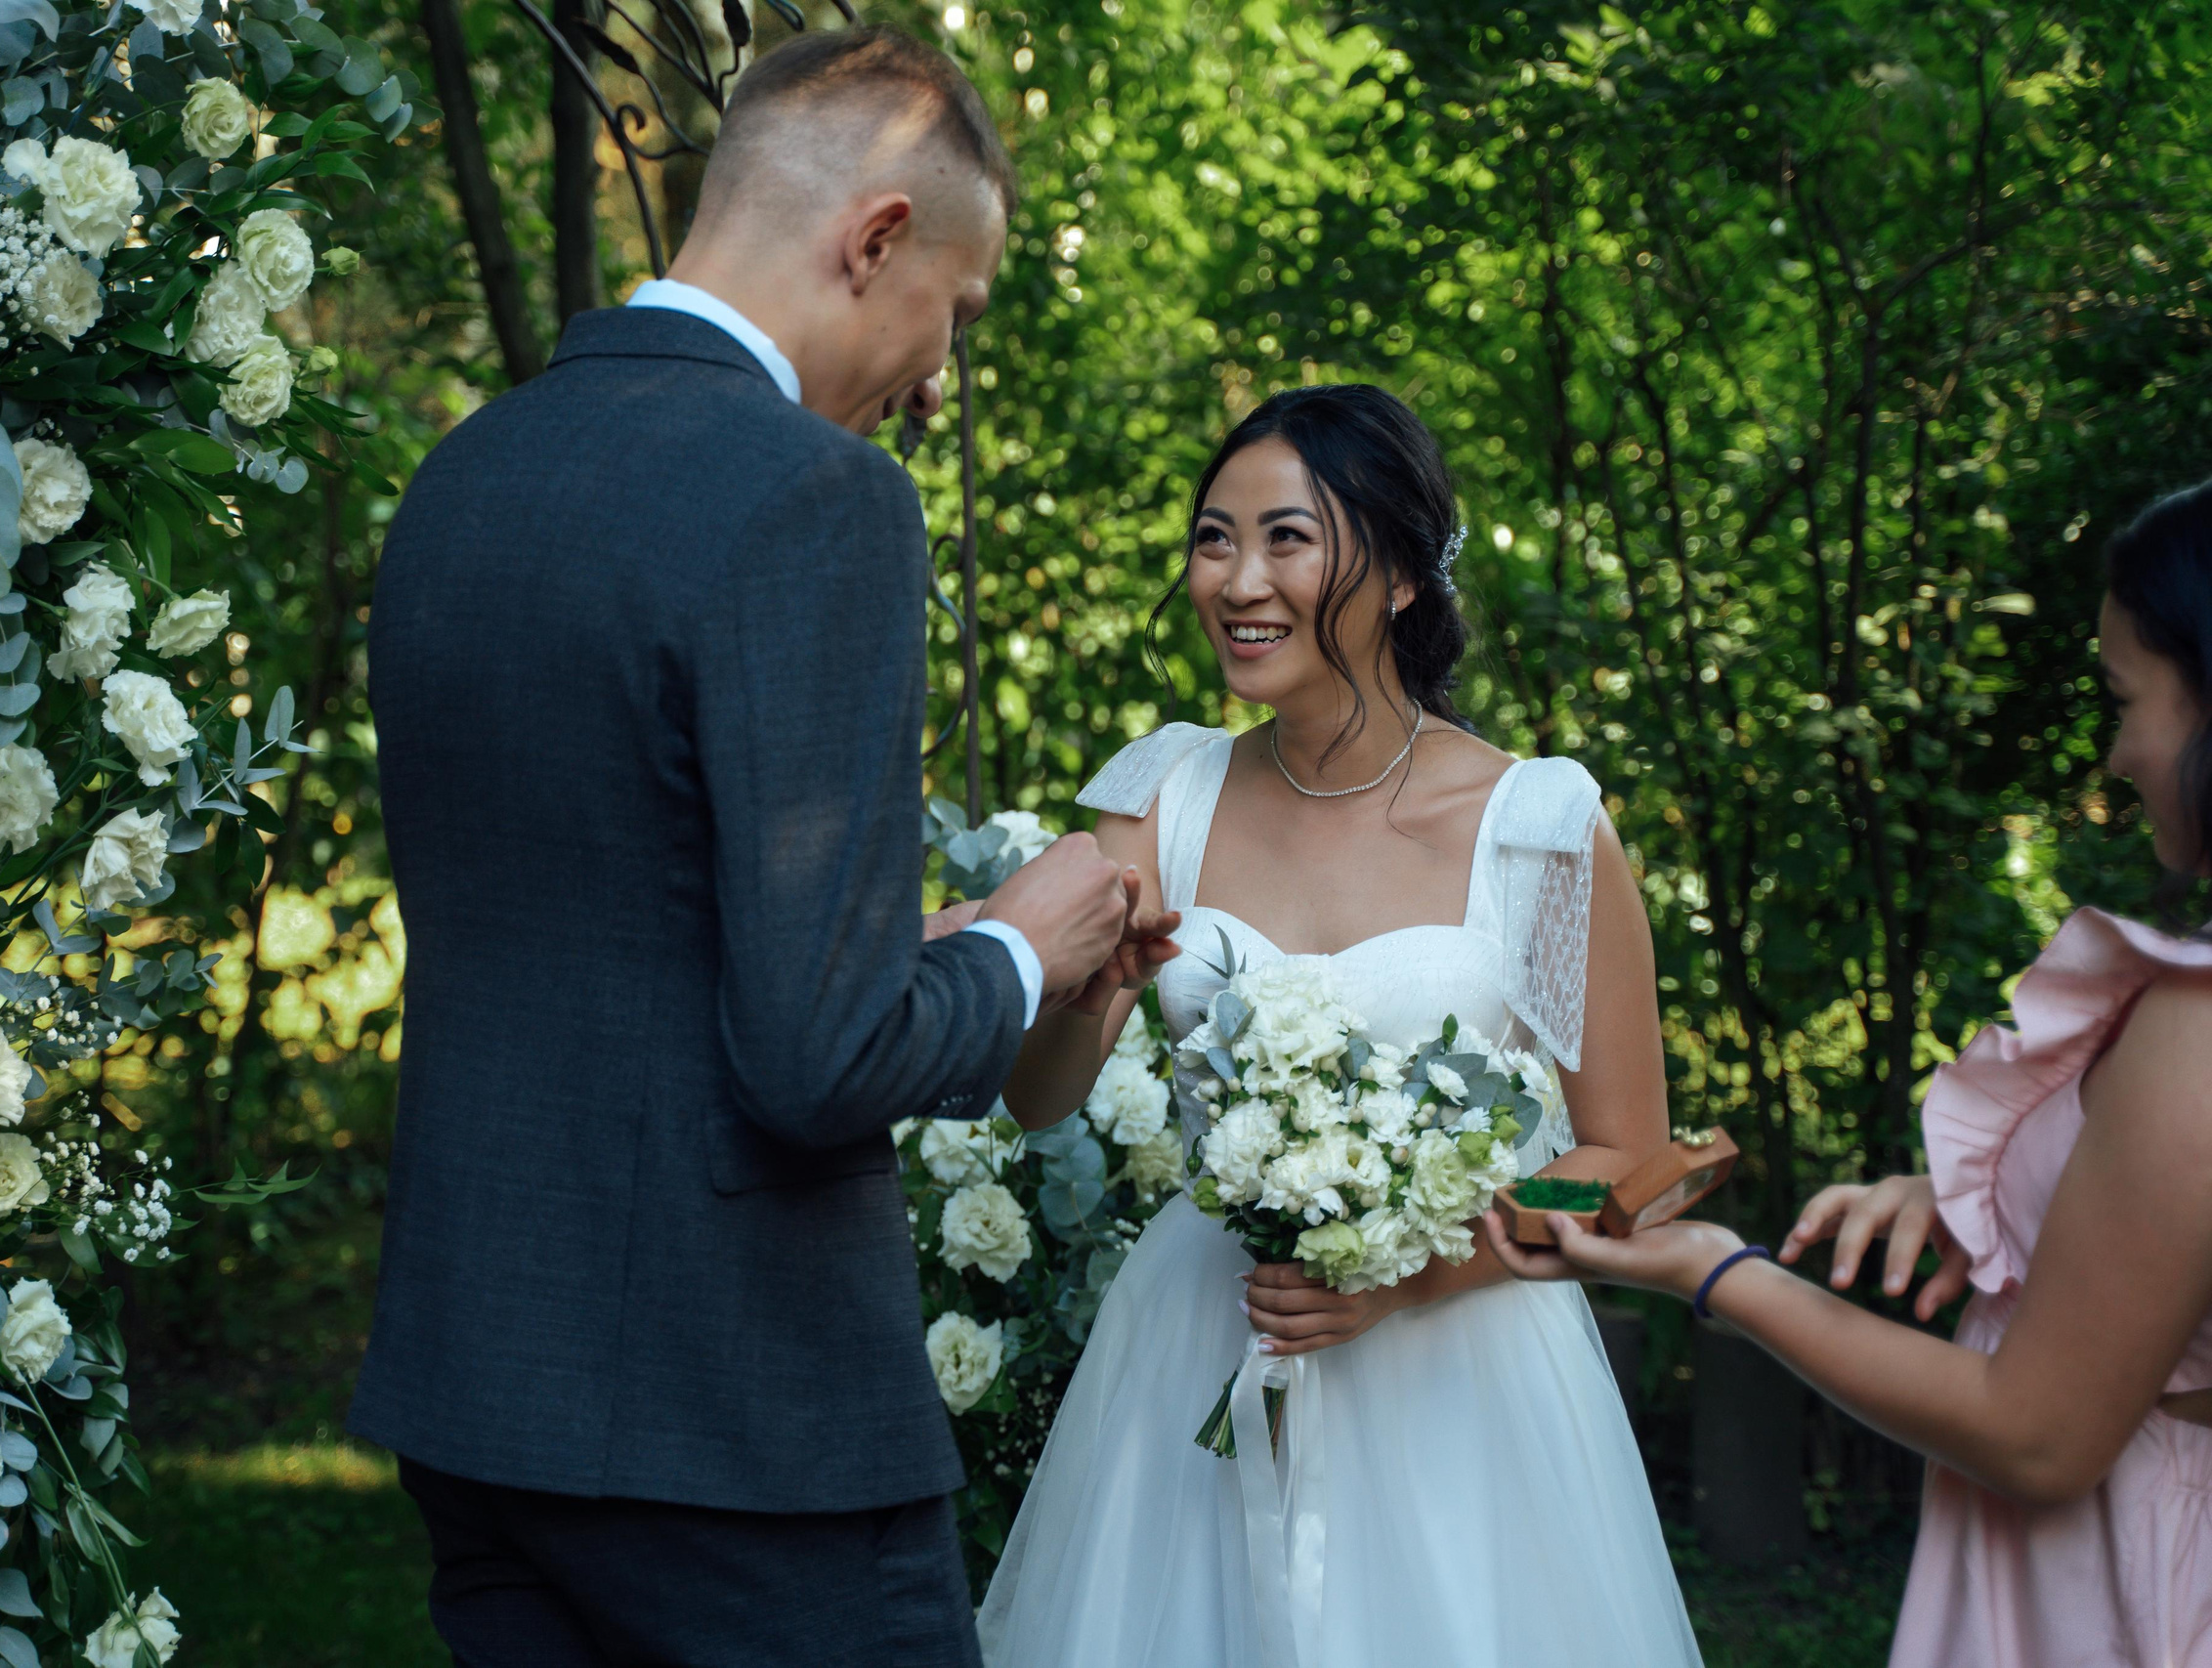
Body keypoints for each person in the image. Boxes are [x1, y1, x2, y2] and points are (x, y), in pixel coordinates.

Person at [351, 28, 1174, 1667]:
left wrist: (907, 947)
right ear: (875, 239)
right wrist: (1025, 939)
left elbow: (617, 928)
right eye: (961, 307)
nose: (940, 377)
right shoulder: (817, 497)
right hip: (743, 1433)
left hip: (479, 1387)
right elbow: (820, 1058)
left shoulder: (466, 476)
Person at [976, 385, 1704, 1667]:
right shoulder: (1160, 794)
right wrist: (1086, 997)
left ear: (1407, 572)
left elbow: (1626, 1161)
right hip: (1201, 1351)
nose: (1238, 579)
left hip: (1464, 1374)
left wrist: (1421, 1264)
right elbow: (1040, 1097)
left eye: (1288, 538)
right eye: (1214, 537)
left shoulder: (1539, 826)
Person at [1487, 480, 2212, 1668]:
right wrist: (2013, 1210)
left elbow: (2038, 1435)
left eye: (2128, 702)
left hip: (2120, 1580)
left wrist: (1717, 1272)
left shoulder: (2196, 1026)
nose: (2120, 753)